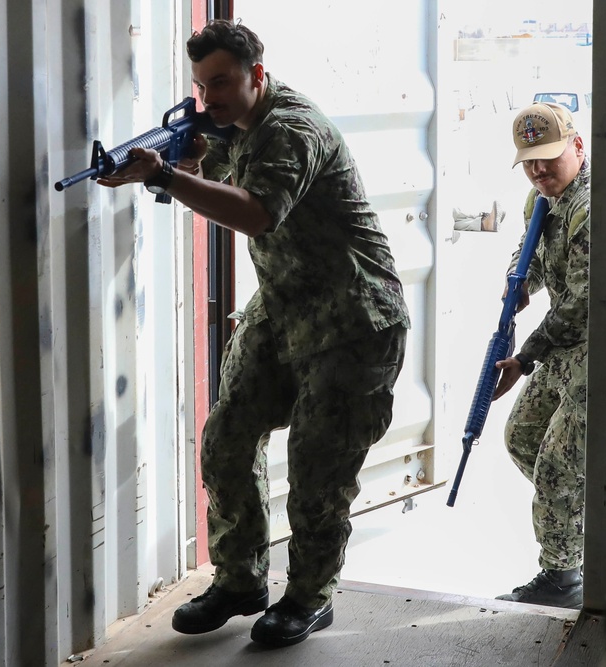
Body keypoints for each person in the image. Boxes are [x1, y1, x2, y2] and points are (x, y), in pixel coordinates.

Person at [97, 19, 410, 647]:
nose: (209, 98)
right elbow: (217, 159)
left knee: (318, 471)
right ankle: (240, 580)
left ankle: (309, 597)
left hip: (353, 317)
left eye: (222, 83)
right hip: (284, 306)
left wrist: (164, 176)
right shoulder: (228, 124)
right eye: (200, 86)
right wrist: (188, 151)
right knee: (227, 438)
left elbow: (255, 212)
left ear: (257, 76)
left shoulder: (292, 130)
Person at [491, 101, 590, 609]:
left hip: (595, 358)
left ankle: (562, 579)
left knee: (557, 469)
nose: (539, 170)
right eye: (530, 161)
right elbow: (526, 246)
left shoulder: (590, 207)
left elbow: (580, 305)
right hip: (562, 356)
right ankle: (582, 530)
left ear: (577, 146)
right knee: (523, 438)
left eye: (549, 158)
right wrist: (520, 280)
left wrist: (524, 357)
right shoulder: (542, 198)